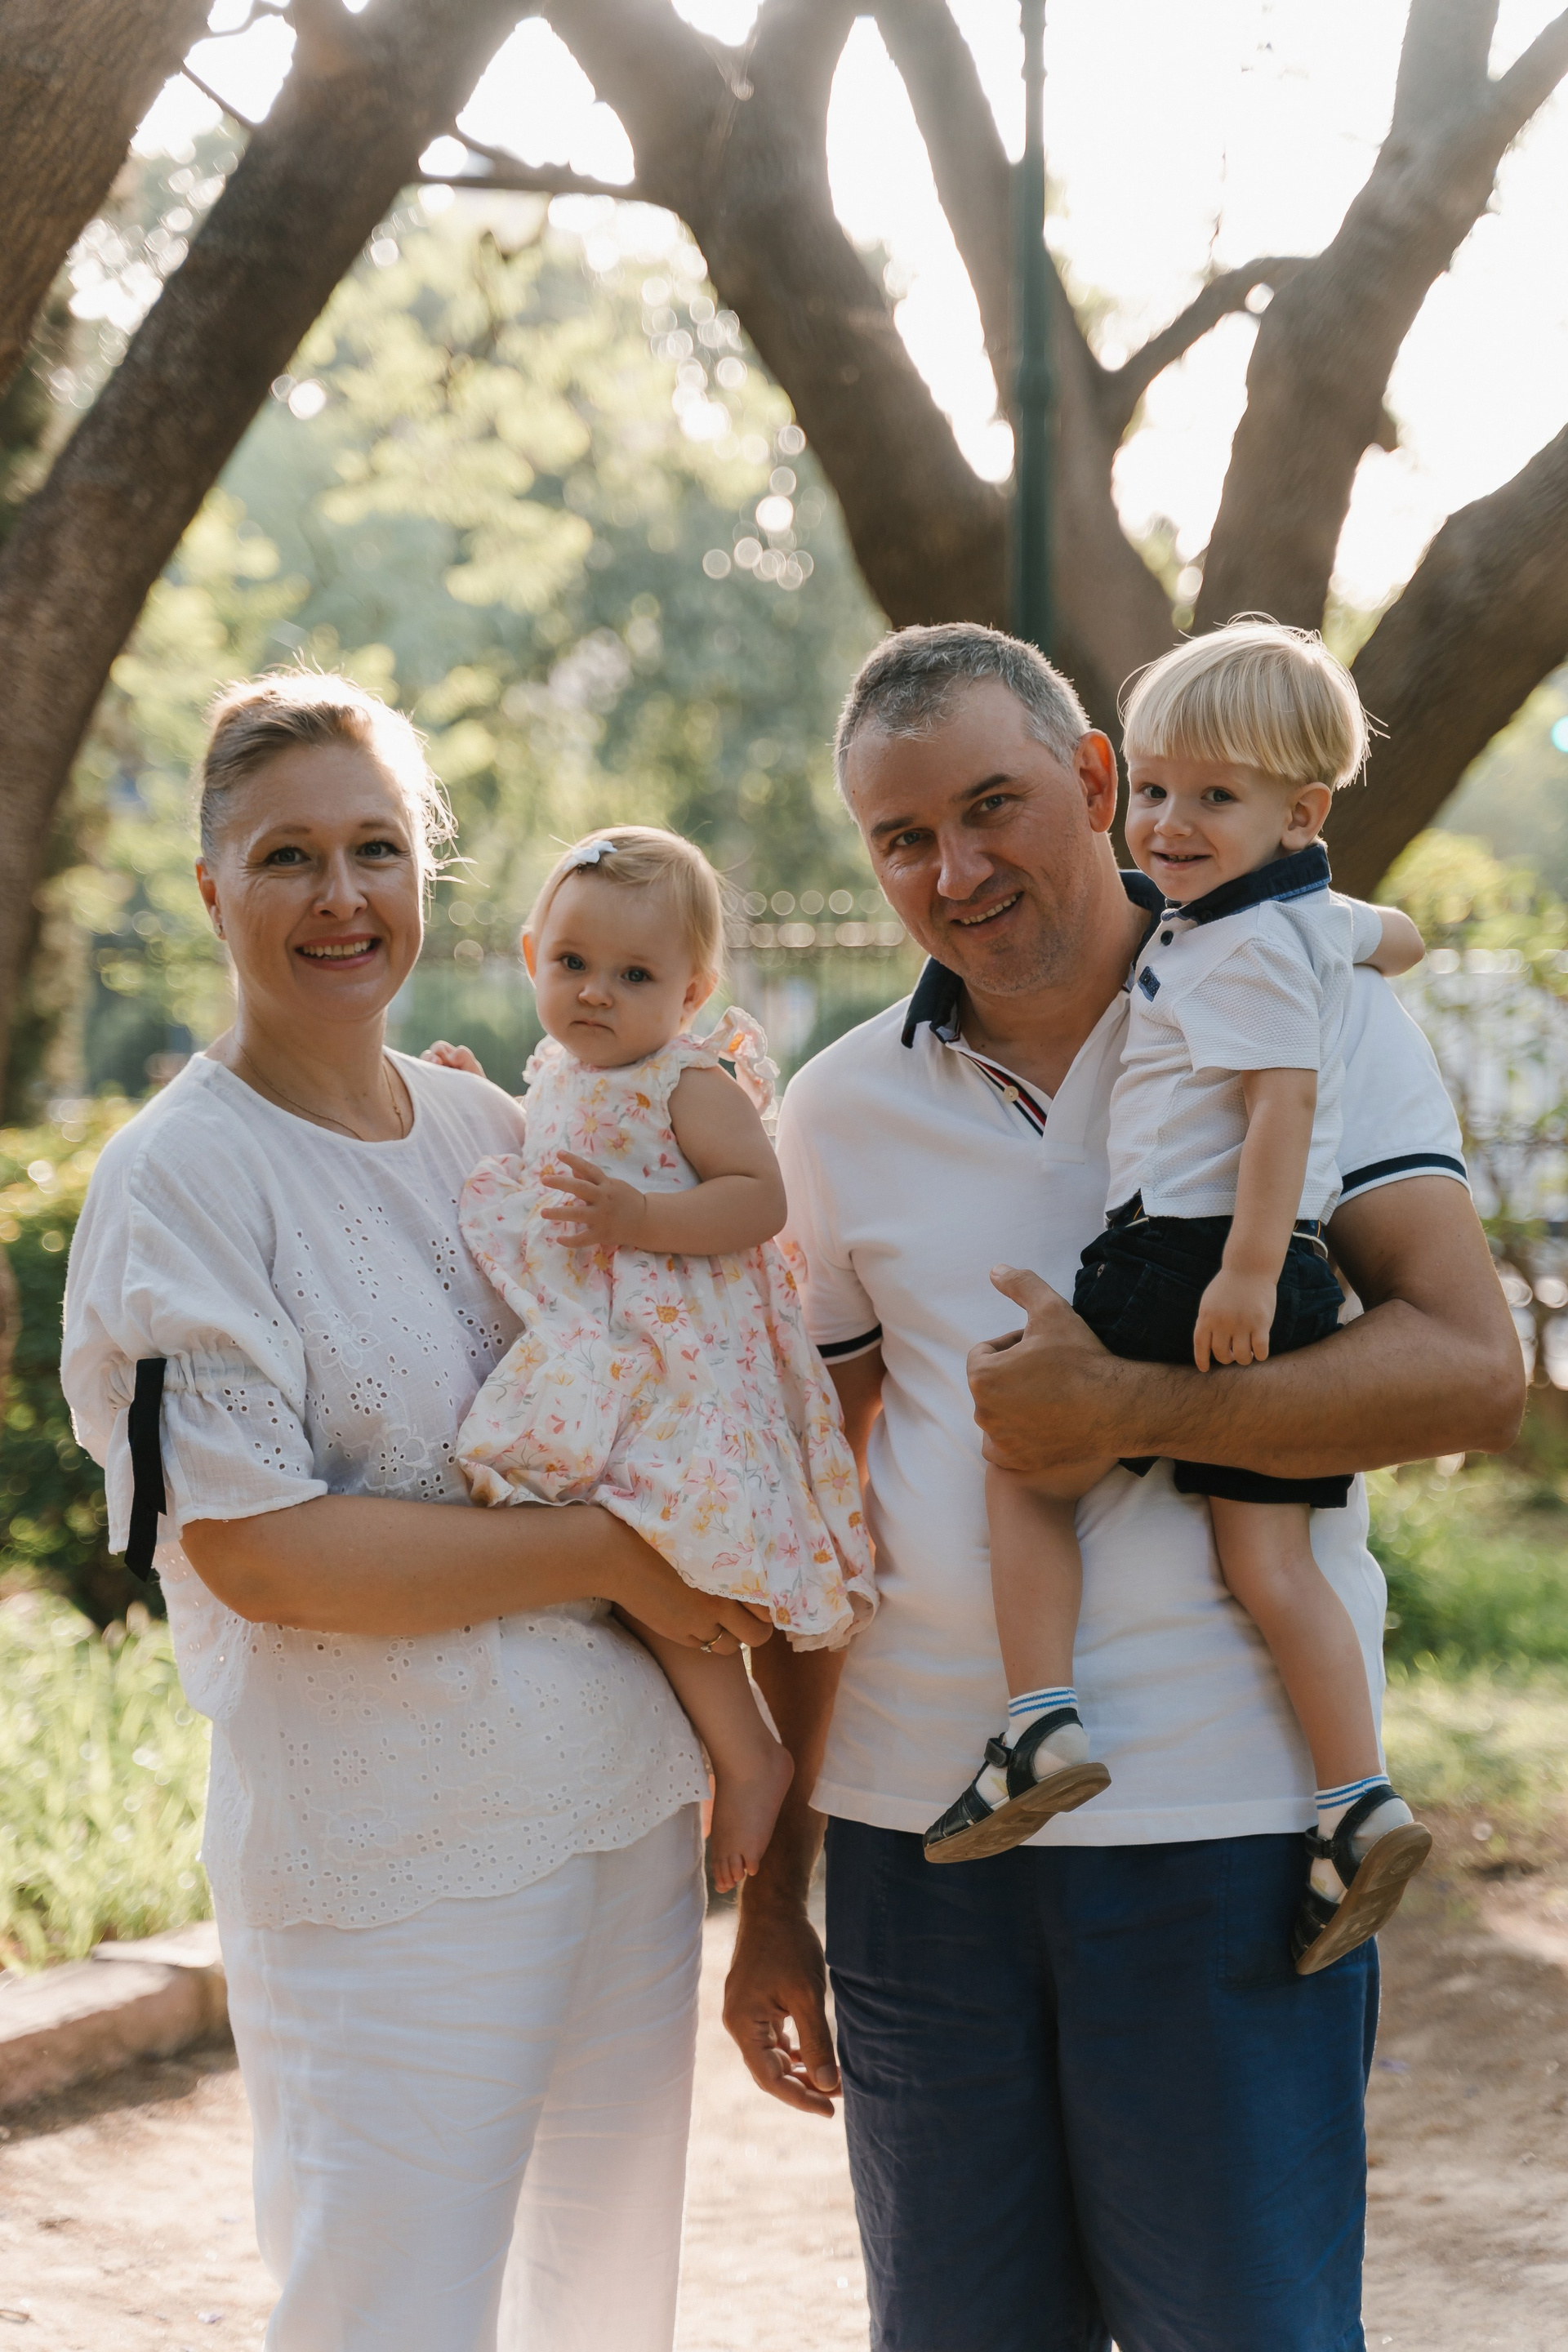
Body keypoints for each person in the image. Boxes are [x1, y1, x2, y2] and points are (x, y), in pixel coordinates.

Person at [723, 624, 1523, 2352]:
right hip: (919, 1847)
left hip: (1225, 1832)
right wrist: (778, 1890)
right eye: (903, 837)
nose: (956, 870)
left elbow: (1472, 1367)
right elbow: (814, 1514)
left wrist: (1128, 1406)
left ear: (1095, 781)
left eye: (992, 806)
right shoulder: (837, 1110)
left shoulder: (1311, 1008)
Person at [61, 673, 766, 2352]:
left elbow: (668, 1353)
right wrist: (611, 1557)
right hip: (392, 1863)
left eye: (376, 849)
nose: (343, 896)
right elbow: (265, 1553)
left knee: (608, 2315)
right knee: (390, 2321)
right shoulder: (180, 1180)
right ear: (211, 886)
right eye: (287, 855)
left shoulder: (487, 1124)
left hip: (624, 1819)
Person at [924, 623, 1433, 1979]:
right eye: (1154, 790)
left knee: (1026, 1450)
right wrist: (1372, 933)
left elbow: (1282, 1110)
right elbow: (1396, 934)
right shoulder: (1303, 918)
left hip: (1189, 1250)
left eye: (1214, 797)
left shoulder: (1234, 945)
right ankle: (1357, 1800)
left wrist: (1245, 1272)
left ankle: (1040, 1719)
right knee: (1268, 1561)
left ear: (1299, 814)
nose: (1167, 824)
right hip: (1280, 1267)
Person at [431, 825, 875, 1891]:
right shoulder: (557, 1073)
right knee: (602, 1533)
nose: (597, 991)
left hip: (686, 1363)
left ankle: (750, 1753)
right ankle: (719, 1749)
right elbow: (556, 1161)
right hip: (610, 1353)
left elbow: (759, 1200)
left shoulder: (688, 1081)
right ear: (532, 957)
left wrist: (641, 1214)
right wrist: (478, 1099)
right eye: (573, 962)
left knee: (651, 1537)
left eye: (635, 975)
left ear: (691, 994)